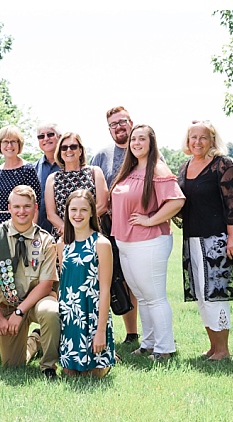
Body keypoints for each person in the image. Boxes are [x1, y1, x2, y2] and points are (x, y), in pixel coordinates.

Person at [110, 124, 185, 361]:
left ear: (151, 143)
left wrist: (150, 220)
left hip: (149, 242)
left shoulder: (157, 168)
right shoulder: (130, 169)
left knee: (155, 297)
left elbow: (176, 201)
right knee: (142, 297)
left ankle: (165, 349)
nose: (136, 143)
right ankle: (149, 343)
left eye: (142, 139)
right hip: (126, 242)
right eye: (134, 139)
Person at [176, 120, 233, 362]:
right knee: (201, 295)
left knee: (216, 294)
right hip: (192, 239)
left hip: (217, 240)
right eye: (193, 137)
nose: (197, 142)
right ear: (188, 141)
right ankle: (212, 347)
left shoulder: (222, 165)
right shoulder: (185, 167)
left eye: (203, 137)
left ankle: (223, 350)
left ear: (212, 141)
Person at [0, 185, 61, 378]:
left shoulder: (45, 240)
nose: (21, 211)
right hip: (8, 305)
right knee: (12, 364)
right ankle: (35, 340)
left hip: (37, 302)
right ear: (9, 208)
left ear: (35, 208)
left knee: (51, 311)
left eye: (27, 206)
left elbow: (46, 284)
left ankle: (48, 366)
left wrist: (20, 311)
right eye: (17, 206)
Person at [91, 106, 140, 345]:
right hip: (107, 226)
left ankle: (135, 333)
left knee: (135, 279)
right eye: (113, 124)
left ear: (131, 122)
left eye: (122, 122)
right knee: (112, 278)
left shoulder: (145, 150)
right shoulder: (102, 156)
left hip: (138, 227)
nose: (118, 127)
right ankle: (109, 331)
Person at [57, 189, 115, 377]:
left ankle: (107, 356)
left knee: (92, 375)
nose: (78, 215)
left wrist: (101, 330)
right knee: (69, 373)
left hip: (92, 315)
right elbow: (64, 283)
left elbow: (105, 290)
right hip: (70, 316)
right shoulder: (62, 244)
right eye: (73, 210)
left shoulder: (101, 244)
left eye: (83, 210)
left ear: (91, 212)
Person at [45, 133, 109, 237]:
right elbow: (51, 214)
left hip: (90, 234)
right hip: (64, 236)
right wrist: (68, 230)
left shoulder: (94, 172)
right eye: (64, 148)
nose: (68, 150)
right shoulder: (52, 178)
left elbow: (102, 205)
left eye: (73, 146)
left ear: (80, 151)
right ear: (60, 152)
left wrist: (81, 227)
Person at [0, 125, 41, 230]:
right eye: (5, 141)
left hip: (20, 225)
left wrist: (30, 233)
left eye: (13, 141)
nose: (9, 145)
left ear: (19, 144)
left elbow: (35, 206)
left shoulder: (28, 170)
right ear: (0, 145)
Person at [32, 123, 62, 233]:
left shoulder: (70, 166)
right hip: (40, 231)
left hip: (66, 230)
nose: (46, 139)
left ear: (59, 137)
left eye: (50, 134)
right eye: (41, 136)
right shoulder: (33, 169)